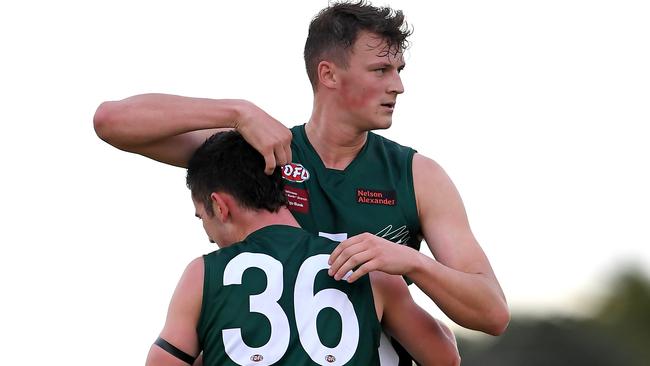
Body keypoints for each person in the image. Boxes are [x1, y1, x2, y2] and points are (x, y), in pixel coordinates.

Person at [95, 0, 509, 362]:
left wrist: (413, 263)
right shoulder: (262, 151)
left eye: (399, 69)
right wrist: (236, 111)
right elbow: (112, 122)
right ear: (328, 74)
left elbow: (491, 313)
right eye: (381, 69)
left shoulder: (418, 175)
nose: (398, 86)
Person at [145, 130, 459, 366]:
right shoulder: (369, 270)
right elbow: (445, 358)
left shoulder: (203, 273)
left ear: (220, 205)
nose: (210, 236)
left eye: (202, 217)